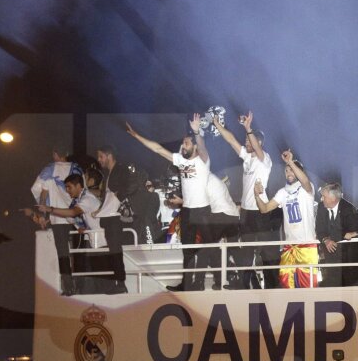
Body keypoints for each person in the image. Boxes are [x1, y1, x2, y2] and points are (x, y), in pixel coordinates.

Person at [126, 116, 211, 291]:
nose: (182, 146)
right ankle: (186, 284)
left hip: (202, 211)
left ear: (194, 146)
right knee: (187, 250)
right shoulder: (181, 160)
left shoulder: (203, 161)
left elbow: (202, 146)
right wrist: (136, 136)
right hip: (187, 211)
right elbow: (157, 149)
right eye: (183, 143)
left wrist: (196, 132)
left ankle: (200, 283)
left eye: (186, 143)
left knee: (202, 248)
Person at [215, 111, 279, 290]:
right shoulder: (247, 157)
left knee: (267, 252)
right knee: (246, 252)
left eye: (249, 141)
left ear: (258, 143)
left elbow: (257, 150)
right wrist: (218, 125)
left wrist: (248, 128)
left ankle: (273, 288)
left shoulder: (264, 159)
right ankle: (246, 286)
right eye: (246, 141)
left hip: (261, 211)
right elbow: (231, 140)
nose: (245, 143)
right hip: (246, 212)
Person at [94, 142, 158, 293]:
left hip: (117, 217)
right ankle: (118, 282)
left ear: (109, 156)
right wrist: (99, 209)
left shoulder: (121, 169)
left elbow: (131, 185)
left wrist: (120, 195)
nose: (99, 160)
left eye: (101, 156)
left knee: (115, 250)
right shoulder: (109, 174)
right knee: (113, 250)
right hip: (110, 217)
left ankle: (120, 283)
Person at [254, 149, 319, 288]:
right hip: (289, 247)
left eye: (291, 170)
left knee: (308, 289)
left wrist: (290, 161)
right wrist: (256, 195)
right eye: (286, 171)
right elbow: (264, 209)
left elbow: (305, 180)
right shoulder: (282, 193)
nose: (289, 173)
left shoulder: (307, 189)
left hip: (307, 247)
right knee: (286, 288)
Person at [32, 172, 102, 293]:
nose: (67, 191)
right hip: (96, 240)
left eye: (69, 187)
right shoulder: (79, 200)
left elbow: (73, 213)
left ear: (79, 186)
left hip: (102, 241)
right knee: (99, 276)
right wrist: (84, 227)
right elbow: (74, 217)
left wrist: (50, 209)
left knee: (102, 278)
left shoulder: (87, 199)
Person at [28, 149, 82, 296]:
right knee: (78, 252)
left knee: (63, 252)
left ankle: (68, 286)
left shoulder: (49, 170)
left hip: (58, 217)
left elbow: (42, 194)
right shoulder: (77, 168)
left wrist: (43, 215)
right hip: (78, 216)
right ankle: (82, 284)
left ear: (56, 154)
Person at [315, 184, 358, 287]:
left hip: (347, 257)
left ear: (333, 198)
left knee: (347, 284)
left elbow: (352, 231)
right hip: (329, 257)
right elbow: (319, 229)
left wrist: (334, 237)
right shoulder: (321, 207)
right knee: (331, 283)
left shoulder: (348, 209)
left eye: (324, 197)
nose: (321, 199)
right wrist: (326, 240)